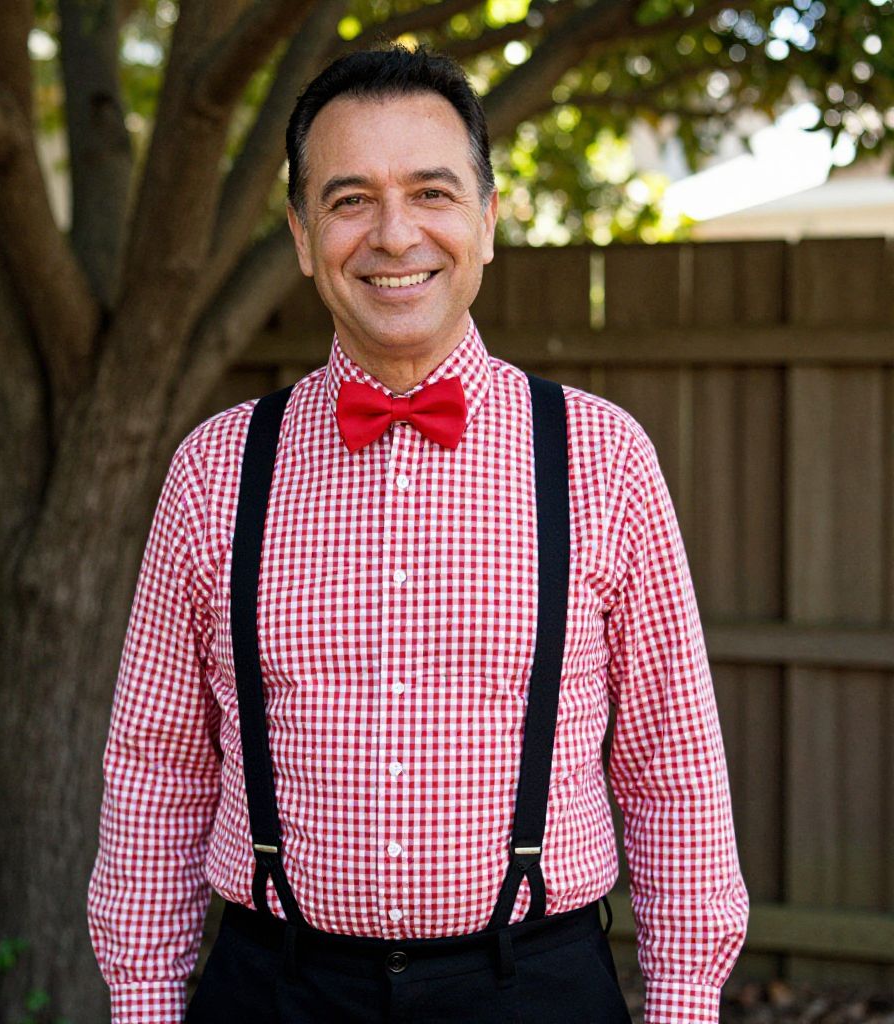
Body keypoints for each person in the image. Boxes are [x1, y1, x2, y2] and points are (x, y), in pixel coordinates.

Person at [87, 44, 748, 1024]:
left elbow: (670, 764)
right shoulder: (217, 468)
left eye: (430, 193)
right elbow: (160, 763)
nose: (394, 234)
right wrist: (143, 996)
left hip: (536, 988)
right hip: (276, 991)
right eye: (350, 200)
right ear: (304, 236)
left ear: (486, 220)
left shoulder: (601, 457)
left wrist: (685, 998)